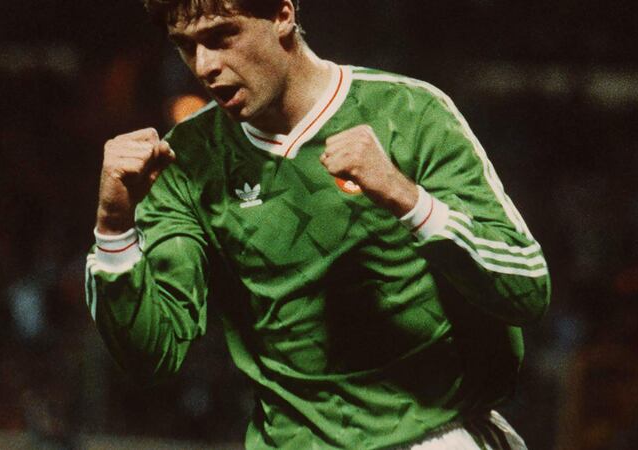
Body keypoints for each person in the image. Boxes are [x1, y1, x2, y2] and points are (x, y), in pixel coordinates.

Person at [84, 0, 551, 448]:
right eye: (186, 45)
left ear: (283, 15)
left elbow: (527, 288)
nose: (205, 65)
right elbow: (152, 357)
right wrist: (113, 225)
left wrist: (408, 199)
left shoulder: (410, 114)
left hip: (438, 434)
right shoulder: (186, 160)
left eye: (222, 36)